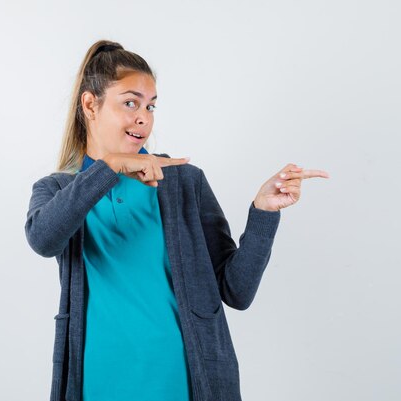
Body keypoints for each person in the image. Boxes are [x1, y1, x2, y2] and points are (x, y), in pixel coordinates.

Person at [24, 40, 329, 401]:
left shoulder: (184, 182)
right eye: (130, 103)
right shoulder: (59, 188)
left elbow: (237, 291)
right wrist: (110, 169)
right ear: (91, 105)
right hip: (100, 383)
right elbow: (44, 239)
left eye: (151, 106)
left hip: (184, 383)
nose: (144, 118)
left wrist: (264, 212)